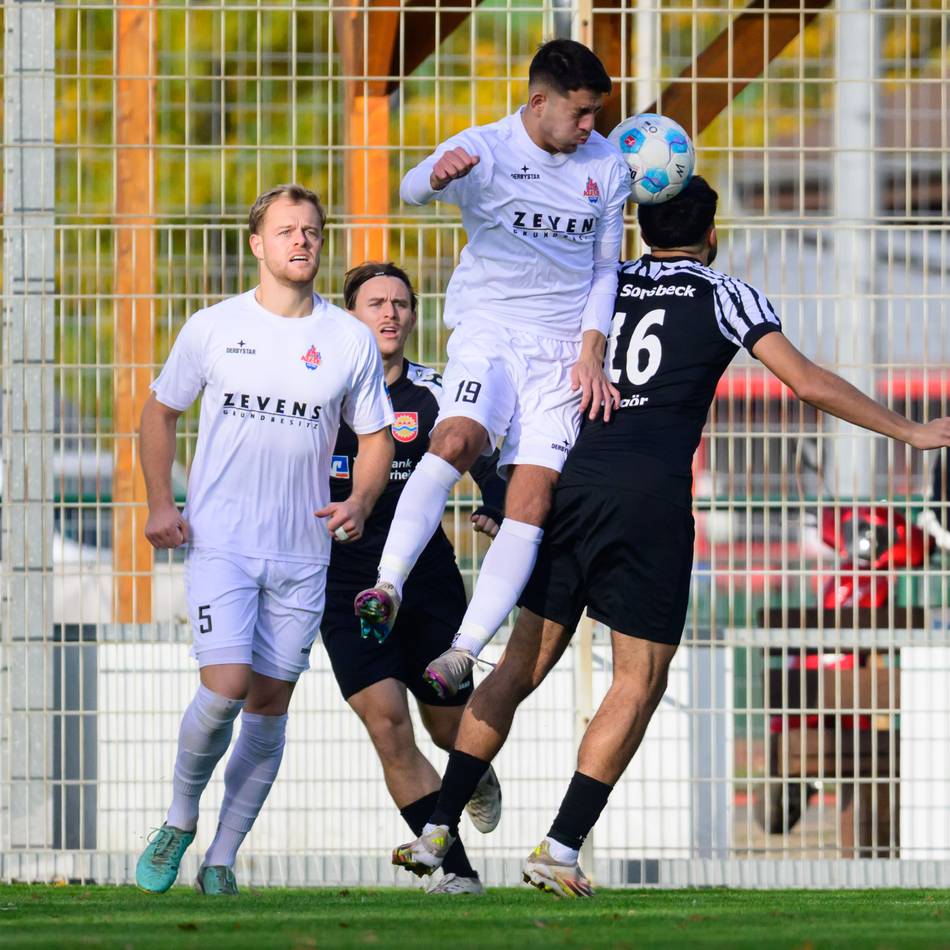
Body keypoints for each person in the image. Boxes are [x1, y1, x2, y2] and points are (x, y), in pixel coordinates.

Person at [389, 176, 950, 897]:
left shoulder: (601, 284)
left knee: (517, 671)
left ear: (642, 228)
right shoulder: (724, 294)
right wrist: (911, 430)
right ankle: (559, 848)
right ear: (712, 234)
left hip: (571, 486)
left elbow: (525, 370)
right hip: (649, 501)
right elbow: (805, 382)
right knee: (639, 678)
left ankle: (437, 830)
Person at [134, 185, 395, 895]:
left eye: (311, 230)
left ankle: (221, 858)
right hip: (221, 540)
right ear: (258, 244)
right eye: (286, 231)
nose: (301, 242)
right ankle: (180, 818)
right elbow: (157, 416)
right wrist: (162, 502)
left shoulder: (347, 338)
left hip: (302, 552)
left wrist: (361, 501)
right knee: (224, 689)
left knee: (269, 705)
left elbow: (375, 438)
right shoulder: (214, 327)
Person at [353, 39, 631, 698]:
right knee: (454, 441)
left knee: (528, 500)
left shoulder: (608, 165)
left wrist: (592, 345)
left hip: (563, 356)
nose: (591, 126)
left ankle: (463, 652)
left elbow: (605, 268)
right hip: (491, 335)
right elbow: (411, 188)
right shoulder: (486, 148)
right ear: (540, 102)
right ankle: (386, 586)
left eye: (596, 113)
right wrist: (436, 174)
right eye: (582, 112)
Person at [321, 261, 506, 895]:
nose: (390, 313)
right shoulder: (319, 395)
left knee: (446, 727)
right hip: (345, 583)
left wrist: (500, 506)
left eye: (401, 303)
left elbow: (481, 456)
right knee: (388, 725)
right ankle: (453, 874)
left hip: (426, 582)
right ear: (351, 315)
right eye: (375, 303)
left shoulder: (433, 395)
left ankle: (472, 773)